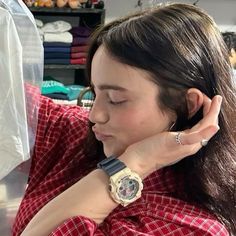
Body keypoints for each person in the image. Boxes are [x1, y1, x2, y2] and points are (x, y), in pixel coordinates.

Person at [12, 3, 236, 236]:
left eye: (116, 99)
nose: (94, 115)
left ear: (188, 105)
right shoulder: (83, 139)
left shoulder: (189, 228)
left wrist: (137, 162)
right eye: (94, 93)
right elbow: (13, 98)